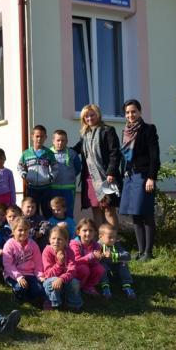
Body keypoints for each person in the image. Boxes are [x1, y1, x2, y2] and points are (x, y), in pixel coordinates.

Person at [119, 99, 160, 261]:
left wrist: (151, 177)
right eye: (127, 112)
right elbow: (125, 157)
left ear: (140, 112)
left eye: (133, 111)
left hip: (144, 176)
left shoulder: (148, 129)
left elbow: (154, 156)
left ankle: (148, 252)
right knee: (135, 214)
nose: (131, 115)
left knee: (146, 213)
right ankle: (141, 250)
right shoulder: (125, 131)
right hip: (129, 176)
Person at [73, 104, 122, 229]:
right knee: (96, 209)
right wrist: (61, 151)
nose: (89, 118)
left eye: (92, 115)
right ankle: (100, 238)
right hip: (90, 178)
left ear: (98, 115)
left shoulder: (108, 130)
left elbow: (115, 153)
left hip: (106, 176)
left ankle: (112, 238)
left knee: (108, 209)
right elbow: (76, 149)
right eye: (86, 116)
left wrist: (111, 172)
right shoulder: (85, 134)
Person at [2, 217, 47, 308]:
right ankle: (17, 296)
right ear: (13, 231)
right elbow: (8, 265)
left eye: (26, 230)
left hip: (29, 273)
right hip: (13, 275)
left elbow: (37, 262)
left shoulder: (33, 244)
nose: (23, 233)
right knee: (20, 288)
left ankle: (28, 297)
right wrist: (19, 277)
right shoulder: (9, 245)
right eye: (20, 230)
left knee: (39, 290)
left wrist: (40, 276)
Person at [17, 125, 57, 218]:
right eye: (37, 136)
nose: (39, 139)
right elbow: (19, 166)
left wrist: (51, 176)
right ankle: (34, 228)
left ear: (45, 137)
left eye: (42, 136)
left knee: (48, 212)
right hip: (32, 188)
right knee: (33, 213)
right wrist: (24, 175)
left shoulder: (49, 153)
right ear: (32, 136)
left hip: (46, 188)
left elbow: (55, 167)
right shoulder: (26, 153)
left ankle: (48, 227)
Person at [41, 225, 82, 311]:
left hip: (65, 281)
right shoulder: (47, 251)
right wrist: (59, 263)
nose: (56, 242)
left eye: (59, 239)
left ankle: (72, 304)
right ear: (49, 239)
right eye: (53, 238)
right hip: (51, 280)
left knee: (75, 282)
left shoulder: (69, 251)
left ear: (66, 241)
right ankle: (53, 302)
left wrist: (62, 279)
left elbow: (72, 271)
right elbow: (48, 274)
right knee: (52, 281)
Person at [98, 223, 136, 299]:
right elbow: (94, 259)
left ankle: (127, 286)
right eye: (110, 237)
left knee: (123, 264)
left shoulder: (117, 244)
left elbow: (127, 256)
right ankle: (105, 287)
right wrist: (100, 256)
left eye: (114, 237)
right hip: (105, 271)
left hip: (116, 270)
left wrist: (114, 255)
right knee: (101, 266)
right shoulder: (97, 245)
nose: (113, 239)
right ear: (101, 237)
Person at [69, 218, 105, 296]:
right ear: (78, 232)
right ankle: (78, 287)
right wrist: (91, 256)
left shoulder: (96, 245)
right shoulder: (75, 244)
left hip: (88, 267)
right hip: (75, 269)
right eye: (84, 230)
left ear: (95, 232)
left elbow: (95, 262)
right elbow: (76, 261)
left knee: (100, 269)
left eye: (91, 230)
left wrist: (99, 257)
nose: (88, 233)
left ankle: (88, 286)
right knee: (84, 269)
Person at [50, 130, 81, 219]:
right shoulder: (48, 153)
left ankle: (69, 227)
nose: (60, 143)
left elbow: (78, 168)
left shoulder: (72, 153)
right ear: (53, 141)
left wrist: (70, 176)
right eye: (58, 140)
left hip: (68, 188)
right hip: (53, 188)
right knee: (54, 211)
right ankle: (54, 228)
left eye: (63, 140)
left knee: (68, 211)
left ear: (67, 141)